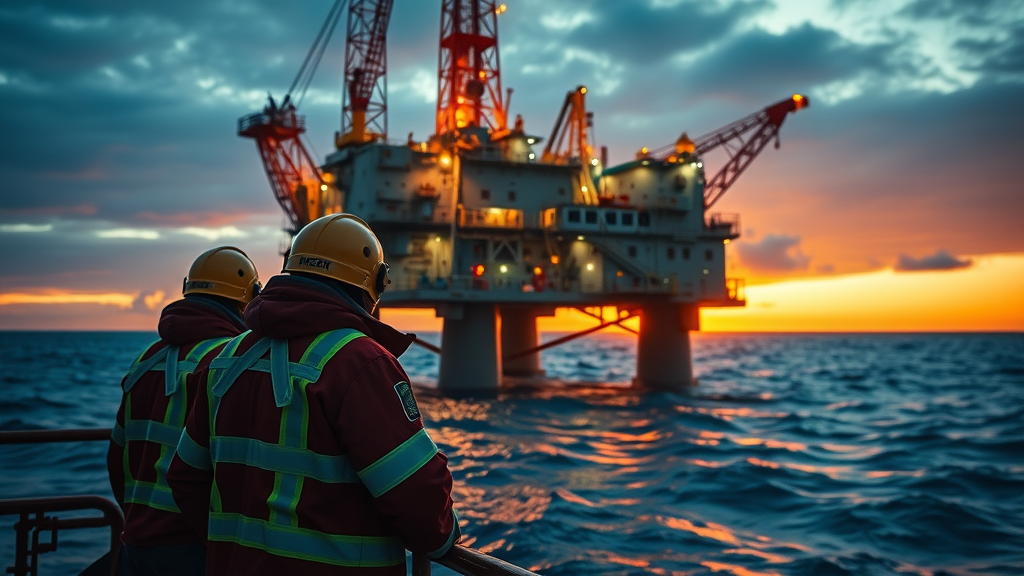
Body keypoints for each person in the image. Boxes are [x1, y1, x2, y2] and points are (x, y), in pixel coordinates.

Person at [167, 214, 459, 575]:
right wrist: (446, 536)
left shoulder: (224, 359)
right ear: (376, 283)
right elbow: (419, 501)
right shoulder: (358, 362)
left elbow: (184, 475)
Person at [107, 246, 262, 576]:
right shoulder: (227, 361)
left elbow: (116, 458)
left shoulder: (146, 359)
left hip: (134, 543)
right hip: (191, 547)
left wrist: (138, 521)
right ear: (248, 297)